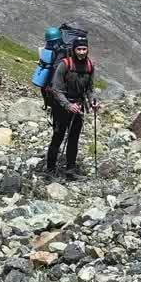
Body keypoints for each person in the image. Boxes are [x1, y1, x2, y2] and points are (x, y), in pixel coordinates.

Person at [44, 34, 101, 179]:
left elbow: (89, 88)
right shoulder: (65, 64)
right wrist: (68, 105)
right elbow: (56, 89)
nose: (82, 52)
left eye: (84, 49)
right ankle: (50, 169)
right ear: (74, 49)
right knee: (58, 136)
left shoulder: (89, 65)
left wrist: (93, 101)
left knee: (74, 138)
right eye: (79, 49)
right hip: (61, 107)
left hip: (79, 106)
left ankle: (70, 169)